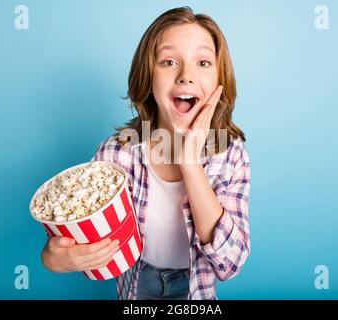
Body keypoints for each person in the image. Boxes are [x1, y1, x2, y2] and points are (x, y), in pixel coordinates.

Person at [41, 6, 251, 300]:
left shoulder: (230, 156)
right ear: (148, 78)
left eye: (203, 62)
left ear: (219, 80)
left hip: (194, 289)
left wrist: (189, 162)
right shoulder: (117, 154)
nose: (186, 76)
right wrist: (53, 258)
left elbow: (231, 263)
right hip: (137, 286)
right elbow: (75, 232)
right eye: (168, 61)